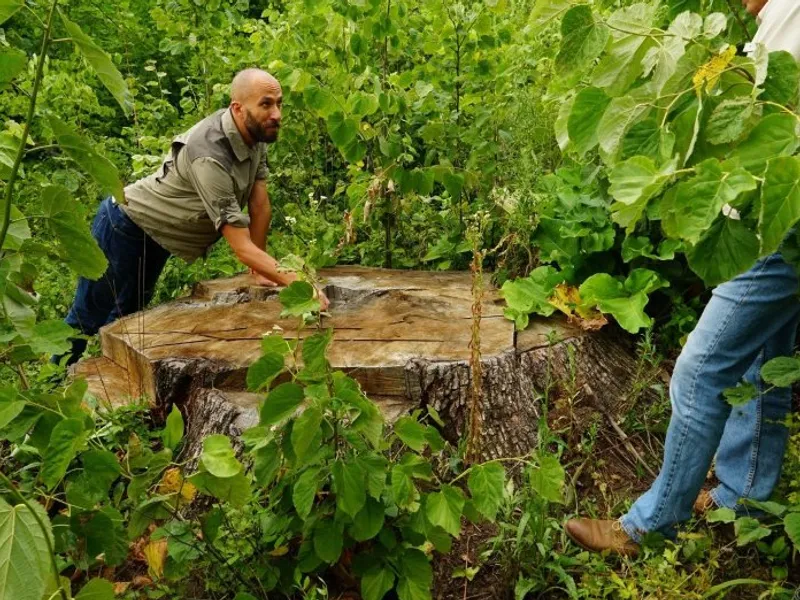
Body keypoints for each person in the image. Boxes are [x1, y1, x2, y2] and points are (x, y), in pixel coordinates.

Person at [564, 0, 800, 556]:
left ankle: (649, 525)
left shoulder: (792, 13)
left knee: (700, 369)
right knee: (763, 356)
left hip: (783, 222)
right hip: (783, 217)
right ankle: (744, 499)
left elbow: (772, 126)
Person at [58, 69, 329, 366]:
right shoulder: (209, 154)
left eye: (279, 103)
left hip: (158, 234)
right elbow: (240, 246)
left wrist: (262, 269)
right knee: (87, 318)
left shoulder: (255, 133)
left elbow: (259, 203)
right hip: (124, 225)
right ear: (237, 108)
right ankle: (54, 383)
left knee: (127, 318)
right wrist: (298, 284)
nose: (276, 113)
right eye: (266, 104)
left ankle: (108, 393)